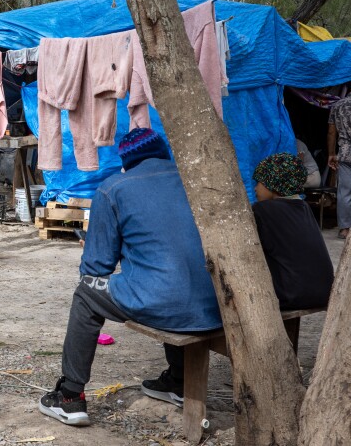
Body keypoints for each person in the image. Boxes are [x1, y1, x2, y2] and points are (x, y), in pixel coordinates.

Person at [39, 128, 221, 427]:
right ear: (163, 152)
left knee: (87, 293)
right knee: (172, 276)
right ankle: (178, 380)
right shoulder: (194, 181)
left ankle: (70, 396)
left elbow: (96, 267)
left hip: (165, 301)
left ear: (126, 161)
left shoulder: (114, 188)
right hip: (213, 303)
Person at [252, 153, 334, 309]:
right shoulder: (304, 207)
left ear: (272, 183)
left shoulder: (263, 209)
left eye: (259, 182)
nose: (255, 188)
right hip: (324, 292)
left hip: (291, 295)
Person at [328, 96, 351, 238]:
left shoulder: (337, 105)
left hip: (345, 154)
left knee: (344, 192)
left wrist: (331, 153)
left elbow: (332, 132)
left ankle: (344, 229)